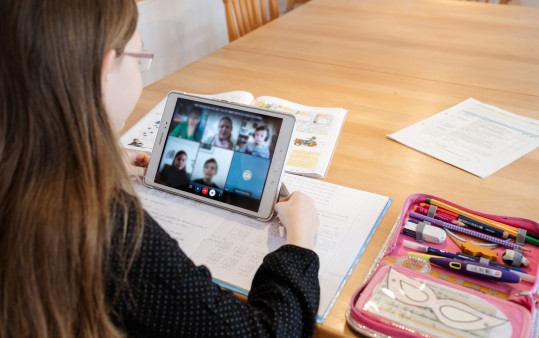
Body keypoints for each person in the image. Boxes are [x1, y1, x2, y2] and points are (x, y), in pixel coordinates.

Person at [0, 1, 321, 337]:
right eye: (140, 59)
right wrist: (299, 243)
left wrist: (102, 159)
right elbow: (268, 333)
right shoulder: (109, 228)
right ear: (106, 69)